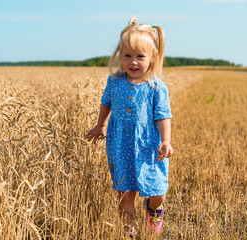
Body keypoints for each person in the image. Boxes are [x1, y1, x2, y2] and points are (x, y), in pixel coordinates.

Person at [85, 17, 173, 238]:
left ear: (152, 58)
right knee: (125, 192)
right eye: (127, 56)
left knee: (157, 190)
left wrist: (166, 140)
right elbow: (106, 103)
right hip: (120, 142)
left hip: (149, 145)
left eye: (140, 56)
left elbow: (163, 116)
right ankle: (129, 231)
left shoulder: (156, 86)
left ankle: (154, 212)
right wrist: (100, 125)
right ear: (119, 56)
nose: (133, 62)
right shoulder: (114, 81)